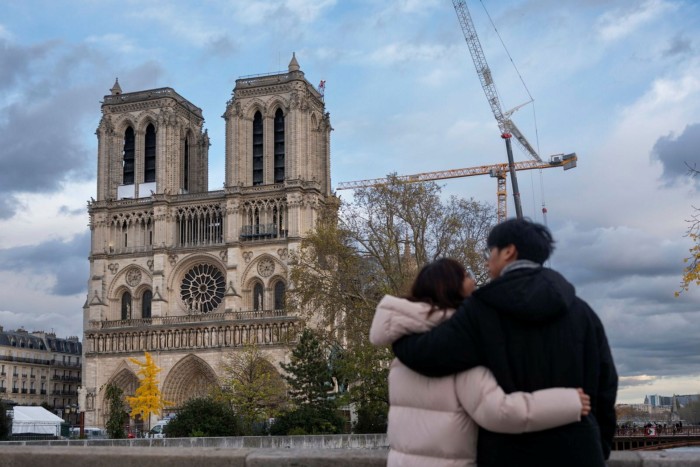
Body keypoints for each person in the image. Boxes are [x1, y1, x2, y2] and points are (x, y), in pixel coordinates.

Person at [392, 219, 618, 467]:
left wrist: (397, 334)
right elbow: (605, 383)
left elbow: (429, 355)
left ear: (509, 251)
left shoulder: (480, 310)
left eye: (491, 252)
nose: (488, 262)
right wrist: (599, 446)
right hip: (580, 451)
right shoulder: (582, 312)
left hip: (508, 453)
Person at [371, 258, 590, 467]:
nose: (474, 280)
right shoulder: (456, 354)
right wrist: (569, 402)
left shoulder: (402, 358)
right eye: (467, 275)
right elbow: (499, 412)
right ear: (451, 287)